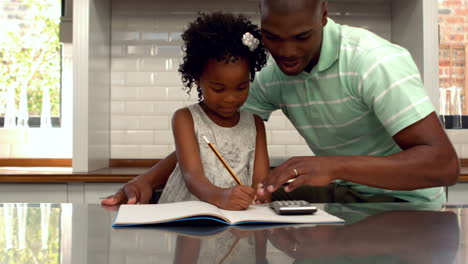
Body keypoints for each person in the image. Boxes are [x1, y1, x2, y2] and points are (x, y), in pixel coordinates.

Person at [102, 0, 459, 206]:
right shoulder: (273, 73)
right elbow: (211, 131)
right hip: (347, 203)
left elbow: (444, 166)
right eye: (272, 37)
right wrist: (148, 179)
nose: (286, 52)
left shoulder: (373, 63)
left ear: (324, 14)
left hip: (408, 208)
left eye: (301, 36)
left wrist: (334, 165)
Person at [142, 12, 270, 210]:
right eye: (218, 89)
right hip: (190, 213)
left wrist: (260, 198)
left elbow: (261, 182)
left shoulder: (256, 124)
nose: (231, 98)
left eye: (241, 87)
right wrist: (221, 196)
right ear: (197, 79)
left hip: (237, 217)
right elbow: (192, 176)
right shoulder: (185, 119)